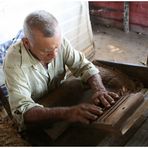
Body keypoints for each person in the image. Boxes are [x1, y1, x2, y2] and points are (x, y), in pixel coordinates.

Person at [3, 10, 119, 132]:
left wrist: (99, 89)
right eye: (46, 51)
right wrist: (67, 113)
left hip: (58, 93)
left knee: (83, 88)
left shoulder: (57, 42)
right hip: (36, 111)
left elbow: (84, 66)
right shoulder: (14, 62)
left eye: (57, 47)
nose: (54, 55)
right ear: (27, 43)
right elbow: (24, 111)